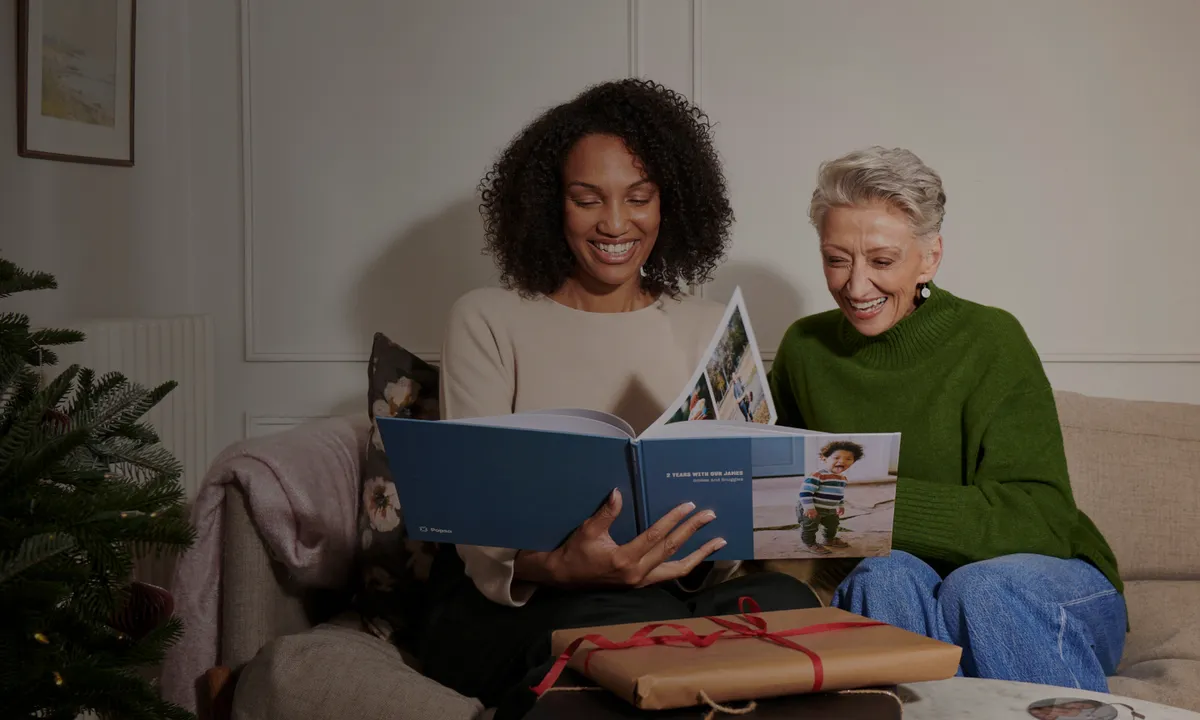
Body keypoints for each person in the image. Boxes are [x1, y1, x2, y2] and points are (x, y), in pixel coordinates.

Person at [420, 79, 821, 719]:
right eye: (587, 200)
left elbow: (729, 531)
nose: (614, 223)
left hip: (668, 592)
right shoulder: (487, 318)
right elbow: (476, 529)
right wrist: (562, 566)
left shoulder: (709, 327)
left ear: (671, 204)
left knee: (787, 603)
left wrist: (727, 528)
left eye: (639, 198)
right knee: (622, 617)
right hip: (528, 599)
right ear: (550, 204)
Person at [768, 146, 1125, 692]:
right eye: (836, 259)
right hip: (909, 581)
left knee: (977, 589)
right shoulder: (803, 349)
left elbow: (1043, 521)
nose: (856, 286)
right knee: (880, 577)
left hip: (1045, 583)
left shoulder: (992, 340)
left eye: (881, 261)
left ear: (929, 257)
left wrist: (867, 504)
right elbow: (785, 503)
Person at [796, 440, 859, 554]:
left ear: (853, 462)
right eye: (836, 458)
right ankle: (809, 543)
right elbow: (805, 492)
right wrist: (809, 507)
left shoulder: (842, 479)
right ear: (824, 458)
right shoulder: (818, 475)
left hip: (830, 509)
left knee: (832, 525)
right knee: (810, 526)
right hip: (812, 508)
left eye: (848, 459)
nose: (842, 461)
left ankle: (829, 539)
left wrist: (840, 505)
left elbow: (839, 494)